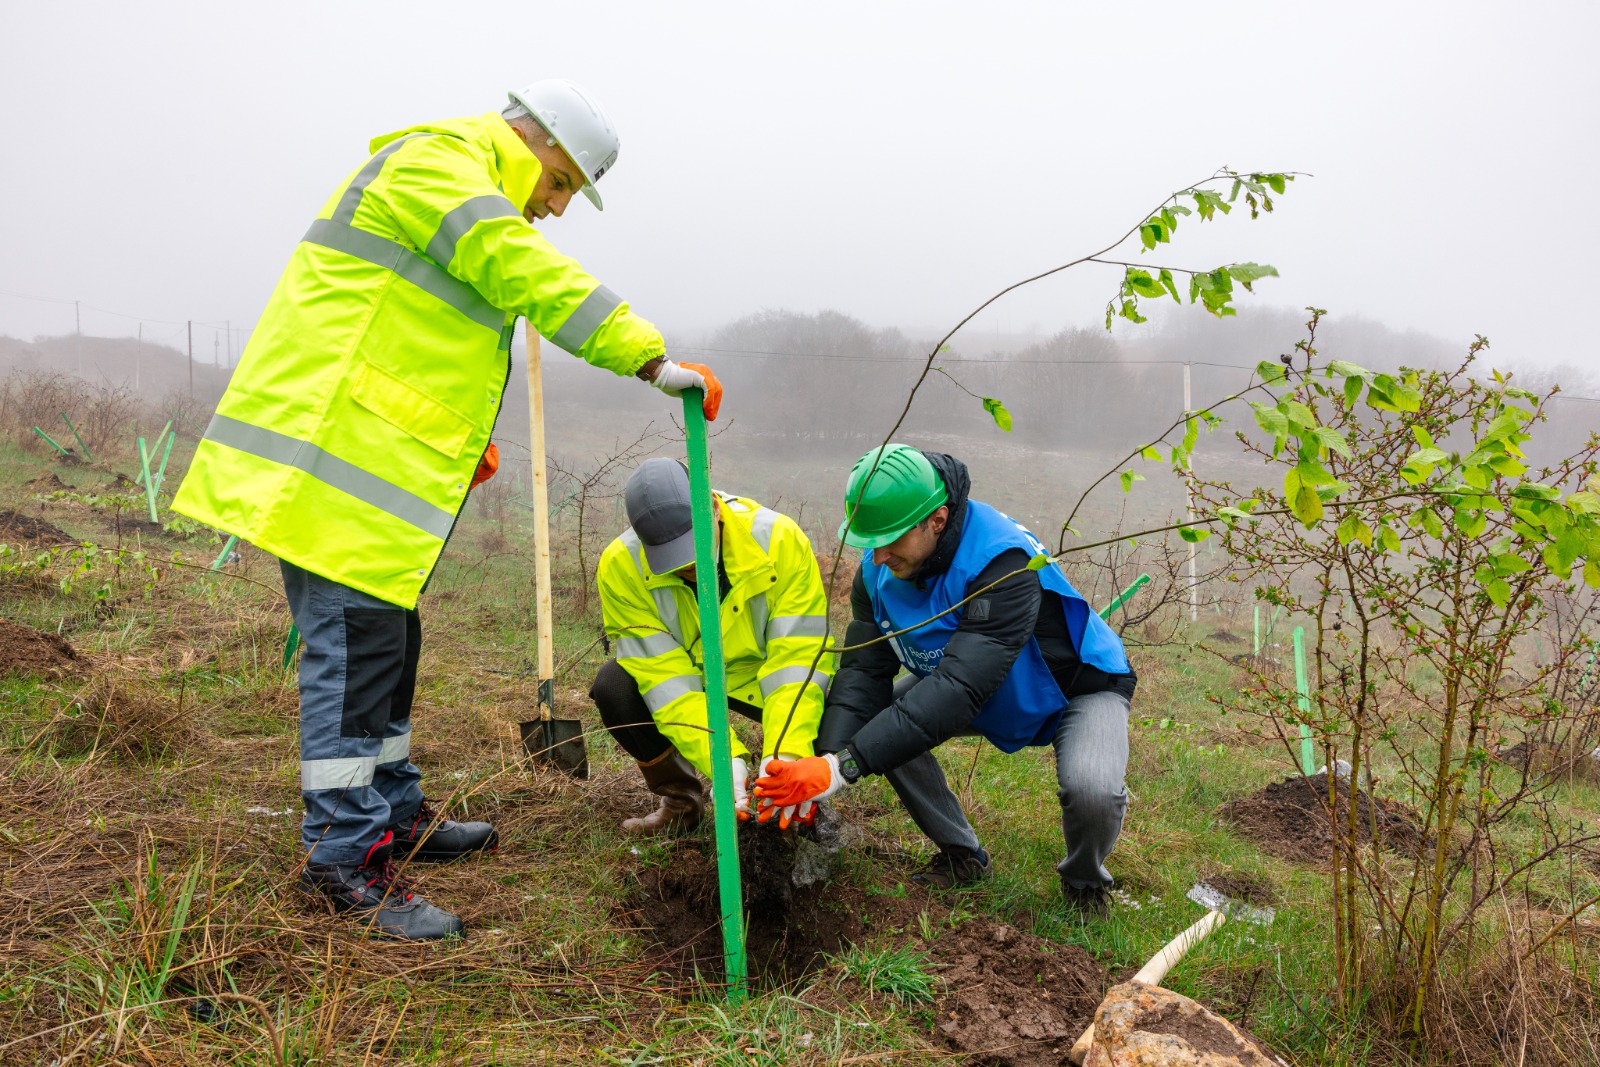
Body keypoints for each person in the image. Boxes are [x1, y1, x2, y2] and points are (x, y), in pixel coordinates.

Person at [172, 80, 722, 941]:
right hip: (330, 462)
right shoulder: (439, 164)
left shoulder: (458, 178)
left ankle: (394, 813)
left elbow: (413, 329)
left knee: (389, 644)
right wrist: (646, 356)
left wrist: (456, 437)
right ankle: (343, 863)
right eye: (564, 185)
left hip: (365, 458)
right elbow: (516, 265)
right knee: (355, 653)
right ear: (538, 146)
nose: (558, 207)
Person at [753, 445, 1135, 916]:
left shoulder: (1002, 564)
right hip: (975, 687)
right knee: (881, 726)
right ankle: (963, 856)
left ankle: (1084, 883)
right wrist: (827, 759)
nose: (877, 554)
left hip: (1074, 687)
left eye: (891, 538)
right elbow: (863, 672)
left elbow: (959, 688)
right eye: (869, 539)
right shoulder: (877, 571)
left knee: (1092, 791)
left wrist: (841, 769)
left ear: (937, 519)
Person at [591, 458, 832, 832]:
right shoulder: (621, 567)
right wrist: (724, 761)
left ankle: (802, 799)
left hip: (760, 676)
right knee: (615, 686)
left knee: (835, 705)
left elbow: (796, 659)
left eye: (694, 545)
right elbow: (666, 681)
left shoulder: (779, 540)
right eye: (670, 556)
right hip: (693, 676)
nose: (688, 564)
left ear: (715, 509)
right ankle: (681, 800)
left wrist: (784, 752)